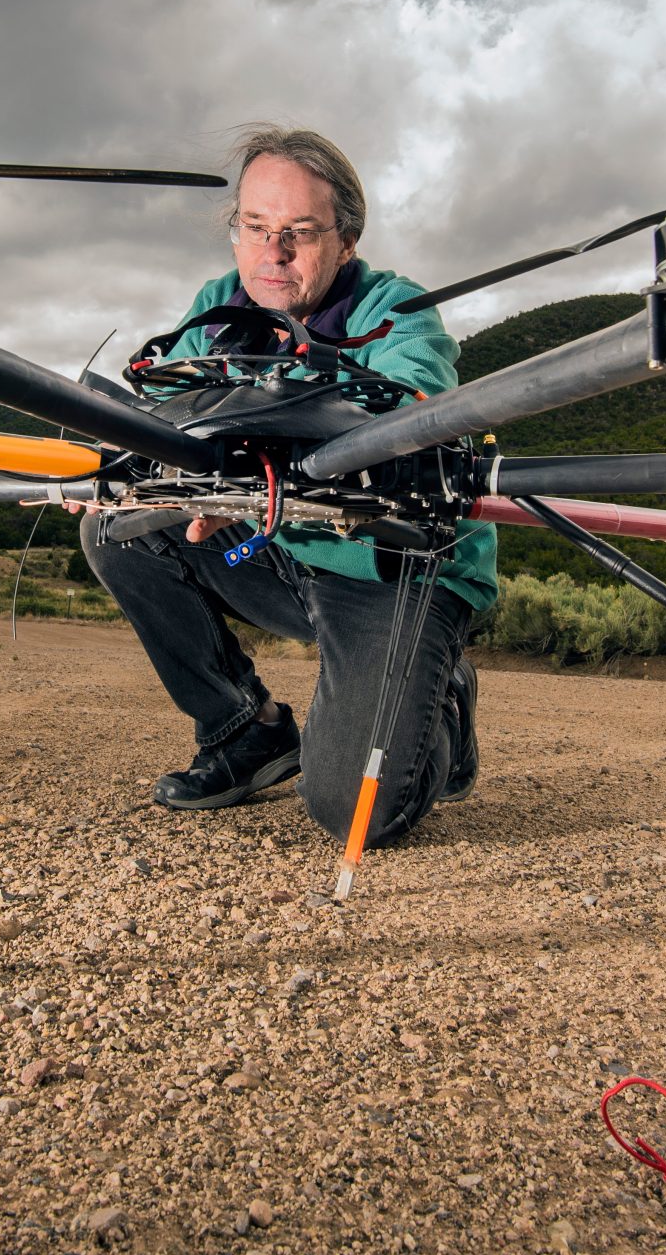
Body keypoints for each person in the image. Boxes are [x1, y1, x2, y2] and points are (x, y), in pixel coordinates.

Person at [78, 124, 497, 847]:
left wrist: (253, 433)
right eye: (256, 227)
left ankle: (438, 702)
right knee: (120, 526)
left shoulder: (396, 311)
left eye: (299, 231)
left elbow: (409, 404)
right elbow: (170, 412)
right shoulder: (220, 302)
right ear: (235, 230)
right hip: (267, 553)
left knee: (353, 812)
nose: (273, 252)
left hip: (387, 568)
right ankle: (247, 732)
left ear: (346, 240)